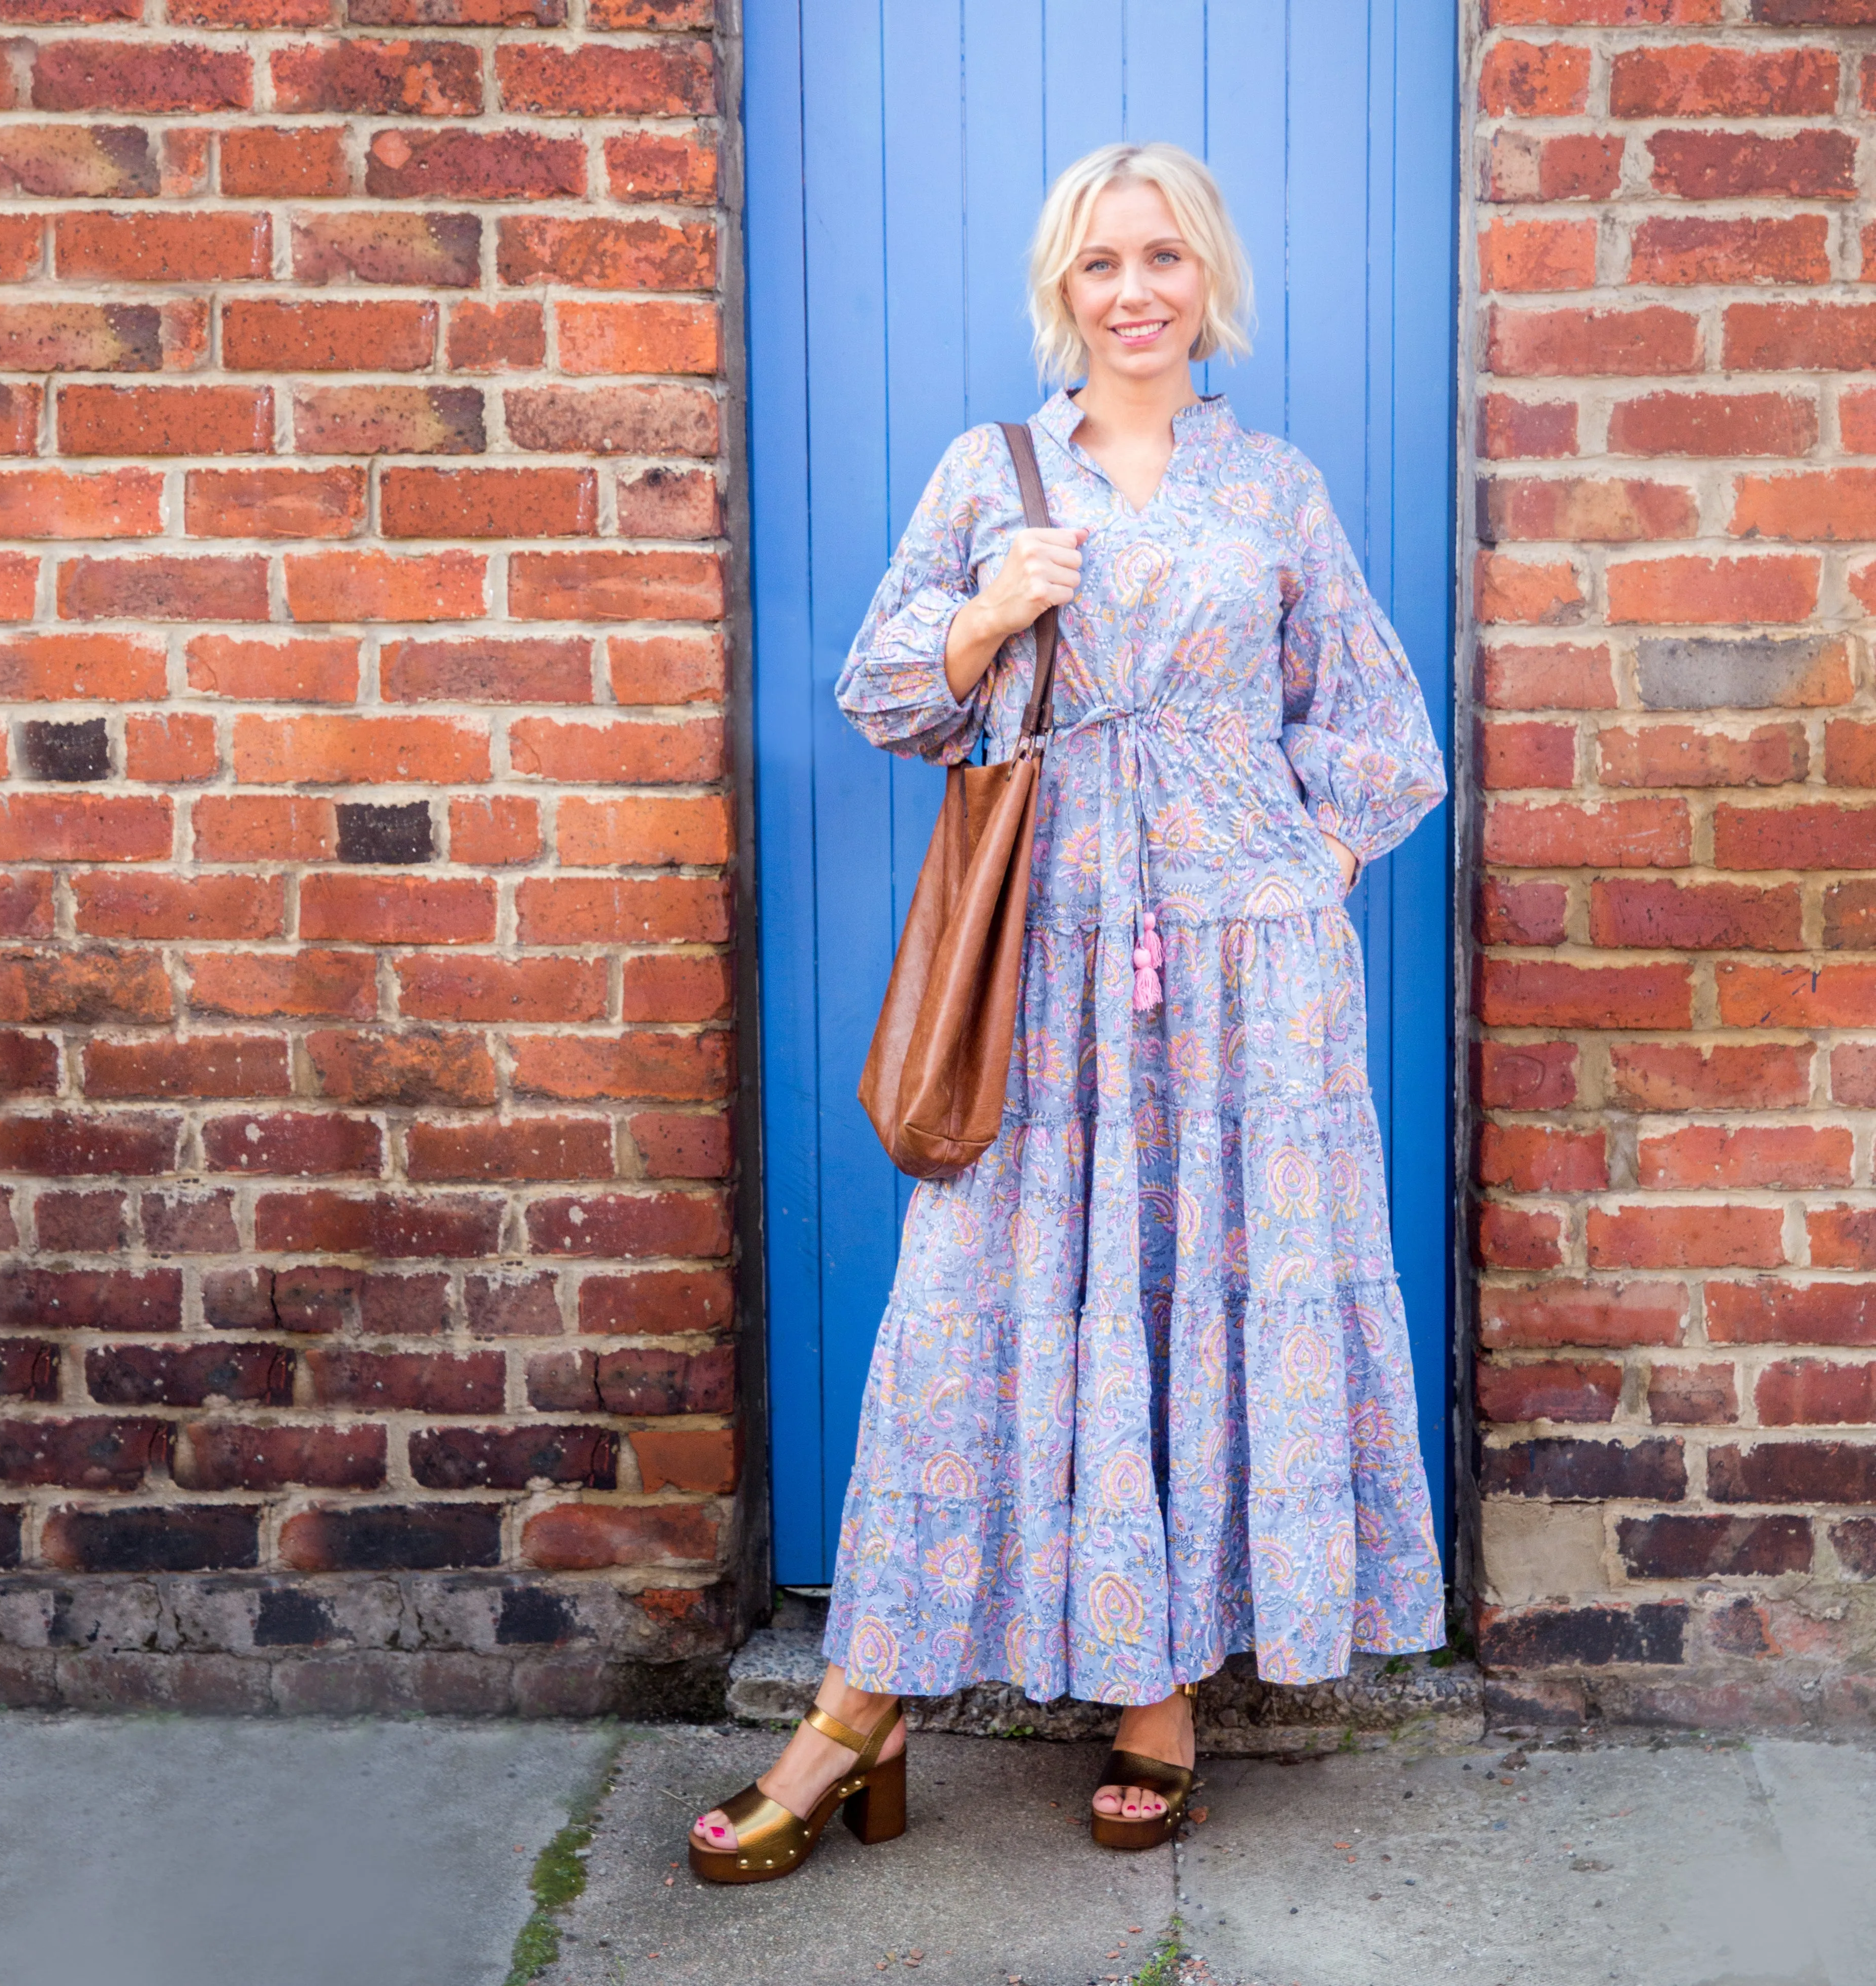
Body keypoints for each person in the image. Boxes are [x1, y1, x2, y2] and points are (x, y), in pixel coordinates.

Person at [689, 139, 1448, 1884]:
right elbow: (880, 690)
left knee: (1203, 1303)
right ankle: (861, 1698)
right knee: (979, 1306)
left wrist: (1304, 863)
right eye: (1100, 263)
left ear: (1208, 282)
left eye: (1162, 259)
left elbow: (1382, 729)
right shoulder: (995, 470)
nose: (1133, 292)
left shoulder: (1274, 491)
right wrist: (981, 620)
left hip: (1250, 984)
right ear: (1062, 287)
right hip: (1044, 969)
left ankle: (1157, 1703)